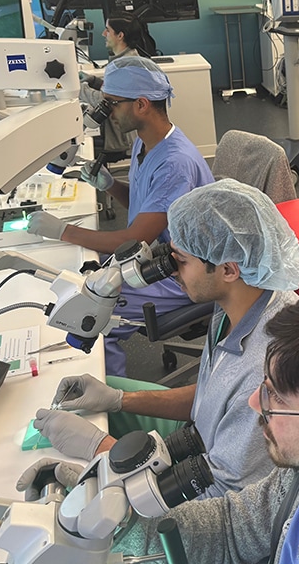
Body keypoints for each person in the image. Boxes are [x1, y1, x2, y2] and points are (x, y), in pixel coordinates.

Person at [21, 287, 299, 563]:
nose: (255, 403)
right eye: (266, 384)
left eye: (278, 397)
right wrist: (116, 514)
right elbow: (235, 527)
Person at [30, 180, 299, 497]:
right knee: (95, 399)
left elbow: (219, 501)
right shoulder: (238, 301)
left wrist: (100, 449)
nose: (172, 271)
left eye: (182, 261)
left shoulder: (265, 373)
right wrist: (119, 400)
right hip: (199, 436)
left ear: (228, 269)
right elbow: (213, 396)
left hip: (216, 497)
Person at [27, 57, 214, 376]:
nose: (108, 112)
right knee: (74, 278)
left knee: (91, 312)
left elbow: (134, 238)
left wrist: (62, 231)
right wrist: (111, 186)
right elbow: (150, 210)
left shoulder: (174, 163)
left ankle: (110, 403)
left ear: (141, 104)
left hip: (183, 274)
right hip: (156, 254)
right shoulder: (147, 142)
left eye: (112, 103)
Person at [79, 12, 157, 157]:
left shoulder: (125, 65)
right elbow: (118, 91)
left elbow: (106, 100)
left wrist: (77, 89)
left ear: (120, 35)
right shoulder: (125, 59)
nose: (103, 34)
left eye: (108, 30)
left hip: (123, 133)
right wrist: (93, 81)